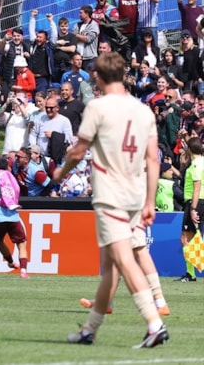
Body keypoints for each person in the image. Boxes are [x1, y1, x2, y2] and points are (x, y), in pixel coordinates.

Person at [54, 52, 168, 348]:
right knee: (109, 268)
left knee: (123, 259)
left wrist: (60, 172)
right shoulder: (143, 110)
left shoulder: (98, 107)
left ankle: (154, 323)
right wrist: (148, 201)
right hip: (134, 192)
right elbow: (153, 160)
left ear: (99, 78)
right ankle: (89, 329)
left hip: (110, 195)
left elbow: (78, 151)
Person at [178, 136, 203, 282]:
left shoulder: (195, 166)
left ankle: (190, 274)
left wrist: (193, 208)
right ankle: (191, 273)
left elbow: (196, 188)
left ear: (190, 149)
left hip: (194, 203)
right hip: (201, 202)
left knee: (185, 239)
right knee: (196, 239)